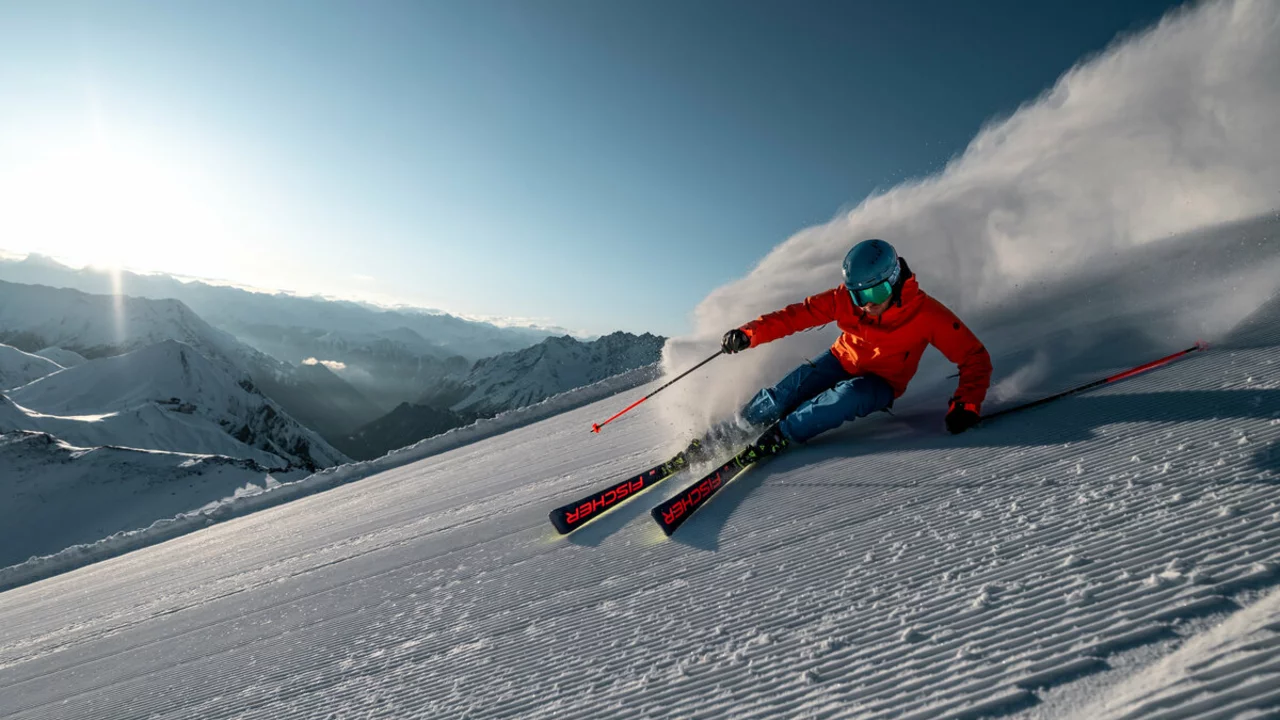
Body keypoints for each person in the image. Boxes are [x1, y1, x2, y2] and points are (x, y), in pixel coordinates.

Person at [707, 238, 992, 457]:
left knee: (845, 397)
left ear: (894, 280)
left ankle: (780, 435)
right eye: (859, 295)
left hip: (883, 382)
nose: (867, 303)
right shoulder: (843, 300)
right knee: (786, 394)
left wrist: (966, 404)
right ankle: (736, 428)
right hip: (841, 358)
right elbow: (794, 317)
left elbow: (974, 357)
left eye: (875, 292)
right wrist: (748, 334)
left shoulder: (927, 315)